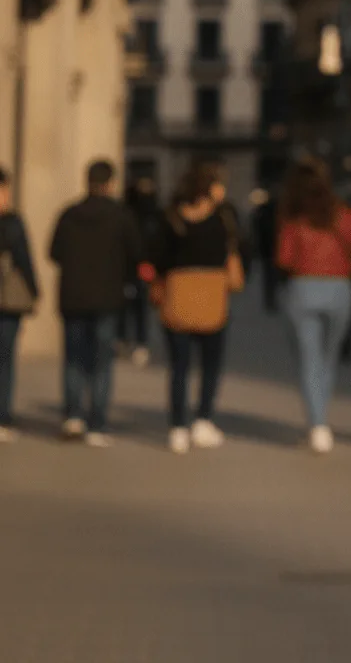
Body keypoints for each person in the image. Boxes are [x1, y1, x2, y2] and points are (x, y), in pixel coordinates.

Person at [275, 157, 351, 453]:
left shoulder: (294, 220)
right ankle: (321, 418)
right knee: (328, 357)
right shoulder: (344, 215)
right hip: (340, 288)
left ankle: (318, 426)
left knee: (309, 360)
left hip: (303, 288)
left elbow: (283, 258)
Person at [150, 161, 244, 454]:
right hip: (213, 295)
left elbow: (158, 257)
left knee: (179, 366)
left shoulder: (171, 217)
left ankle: (177, 427)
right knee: (210, 364)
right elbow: (240, 249)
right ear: (210, 187)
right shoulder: (224, 217)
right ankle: (202, 420)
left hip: (178, 294)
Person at [48, 159, 143, 445]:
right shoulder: (121, 216)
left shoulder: (69, 214)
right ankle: (97, 424)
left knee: (73, 359)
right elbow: (136, 254)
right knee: (102, 362)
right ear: (110, 183)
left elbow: (54, 252)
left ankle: (73, 416)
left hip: (73, 296)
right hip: (107, 298)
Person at [0, 167, 39, 443]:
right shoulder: (12, 222)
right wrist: (34, 290)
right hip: (7, 300)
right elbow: (23, 258)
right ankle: (2, 416)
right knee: (5, 360)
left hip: (7, 303)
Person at [119, 175, 164, 366]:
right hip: (143, 266)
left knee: (132, 306)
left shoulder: (127, 213)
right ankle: (138, 342)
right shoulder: (154, 215)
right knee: (139, 308)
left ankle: (128, 340)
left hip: (133, 266)